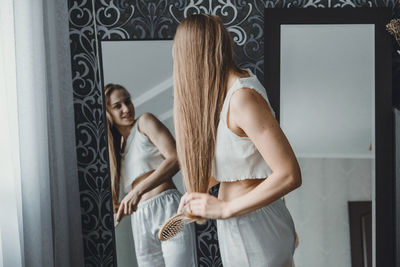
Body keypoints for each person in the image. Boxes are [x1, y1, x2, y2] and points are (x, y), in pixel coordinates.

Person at [173, 14, 302, 267]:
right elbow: (242, 164)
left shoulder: (242, 98)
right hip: (237, 223)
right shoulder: (223, 100)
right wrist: (195, 193)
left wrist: (224, 209)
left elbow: (289, 174)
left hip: (257, 225)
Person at [104, 83, 197, 267]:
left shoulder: (145, 122)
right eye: (117, 106)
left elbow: (176, 158)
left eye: (128, 101)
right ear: (108, 113)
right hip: (140, 219)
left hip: (167, 209)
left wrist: (137, 192)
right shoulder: (115, 152)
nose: (126, 108)